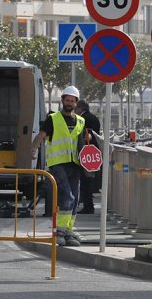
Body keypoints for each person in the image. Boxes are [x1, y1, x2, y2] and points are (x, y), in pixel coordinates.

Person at [31, 86, 86, 247]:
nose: (69, 103)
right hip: (57, 164)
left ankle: (68, 231)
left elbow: (83, 143)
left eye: (72, 100)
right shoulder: (53, 119)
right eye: (66, 100)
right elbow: (40, 135)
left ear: (76, 103)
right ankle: (59, 232)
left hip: (75, 164)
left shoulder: (81, 121)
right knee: (67, 197)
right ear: (62, 101)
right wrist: (33, 149)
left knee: (75, 200)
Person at [74, 99, 101, 214]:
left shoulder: (83, 119)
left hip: (85, 153)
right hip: (93, 153)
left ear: (80, 108)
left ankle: (88, 206)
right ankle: (88, 204)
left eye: (76, 108)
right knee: (89, 180)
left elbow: (83, 136)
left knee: (85, 181)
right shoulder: (94, 118)